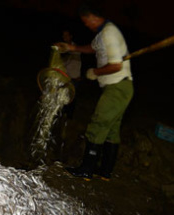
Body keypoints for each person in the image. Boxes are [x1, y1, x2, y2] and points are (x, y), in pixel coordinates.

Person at [55, 2, 134, 181]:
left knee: (97, 124)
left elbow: (116, 65)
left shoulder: (109, 33)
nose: (85, 25)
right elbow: (92, 48)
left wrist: (95, 72)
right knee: (111, 130)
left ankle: (86, 169)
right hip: (119, 87)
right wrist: (72, 48)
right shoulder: (101, 35)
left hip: (118, 86)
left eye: (86, 21)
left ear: (93, 17)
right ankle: (105, 172)